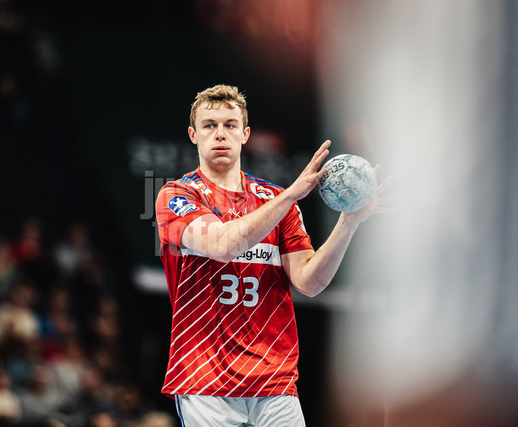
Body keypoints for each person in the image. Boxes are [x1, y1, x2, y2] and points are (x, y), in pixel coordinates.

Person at [155, 84, 391, 426]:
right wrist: (290, 195)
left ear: (245, 134)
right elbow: (222, 245)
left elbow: (310, 282)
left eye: (230, 125)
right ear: (193, 135)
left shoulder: (275, 200)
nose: (220, 134)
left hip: (274, 378)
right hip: (205, 378)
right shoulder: (177, 195)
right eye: (209, 125)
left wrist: (349, 222)